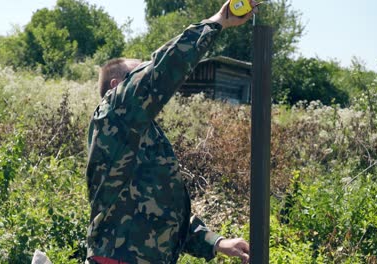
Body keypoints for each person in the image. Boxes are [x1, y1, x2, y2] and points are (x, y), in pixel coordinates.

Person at [85, 1, 257, 263]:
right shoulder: (113, 112)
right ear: (116, 86)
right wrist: (218, 21)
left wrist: (216, 242)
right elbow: (162, 69)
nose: (146, 75)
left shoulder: (142, 133)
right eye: (137, 74)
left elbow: (161, 213)